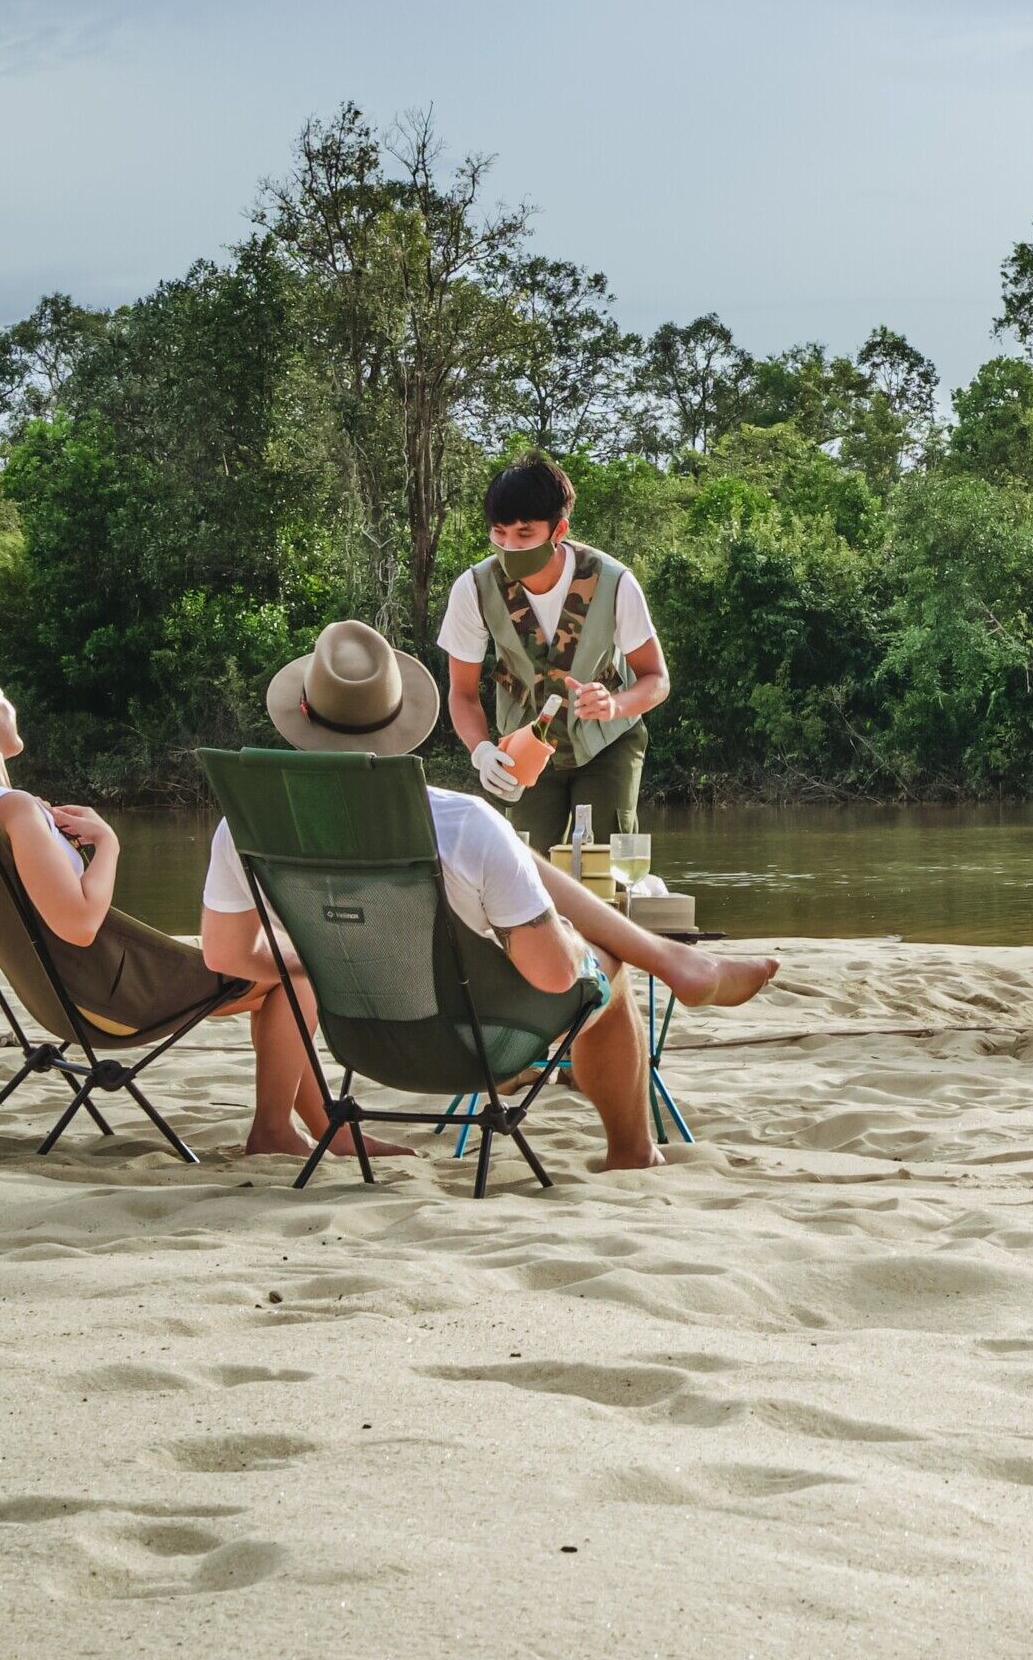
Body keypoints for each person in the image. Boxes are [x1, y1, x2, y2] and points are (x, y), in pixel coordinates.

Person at [211, 618, 774, 1173]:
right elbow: (554, 977)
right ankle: (632, 1149)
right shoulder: (462, 822)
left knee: (513, 864)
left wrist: (321, 955)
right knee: (608, 971)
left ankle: (675, 960)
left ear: (302, 714)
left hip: (360, 1045)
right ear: (402, 719)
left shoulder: (244, 824)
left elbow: (226, 956)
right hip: (477, 1049)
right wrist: (566, 935)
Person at [0, 648, 367, 1162]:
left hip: (57, 995)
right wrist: (107, 844)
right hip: (112, 998)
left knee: (278, 959)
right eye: (3, 696)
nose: (10, 705)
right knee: (301, 970)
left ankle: (320, 1127)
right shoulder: (15, 811)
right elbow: (82, 926)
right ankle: (276, 1132)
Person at [443, 455, 667, 863]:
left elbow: (656, 680)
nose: (510, 546)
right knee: (521, 865)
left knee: (606, 864)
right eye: (499, 532)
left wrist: (615, 704)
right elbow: (462, 694)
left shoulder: (614, 582)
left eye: (524, 533)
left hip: (607, 743)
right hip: (525, 745)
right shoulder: (473, 589)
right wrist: (481, 751)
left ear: (558, 530)